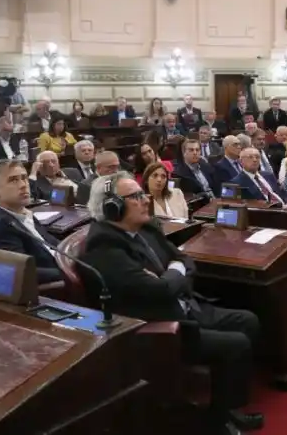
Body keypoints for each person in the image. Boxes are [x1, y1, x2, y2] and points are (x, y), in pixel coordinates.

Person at [79, 173, 264, 434]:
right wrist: (172, 277)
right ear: (112, 207)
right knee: (237, 344)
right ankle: (219, 420)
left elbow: (184, 261)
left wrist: (172, 273)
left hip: (184, 305)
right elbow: (160, 290)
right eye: (135, 197)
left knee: (248, 320)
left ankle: (229, 402)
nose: (145, 200)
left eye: (142, 194)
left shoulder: (145, 228)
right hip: (162, 327)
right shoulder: (104, 248)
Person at [0, 160, 62, 284]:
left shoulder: (21, 212)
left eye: (24, 178)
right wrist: (71, 271)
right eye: (13, 180)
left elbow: (50, 243)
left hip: (59, 264)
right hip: (55, 288)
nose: (23, 185)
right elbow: (24, 273)